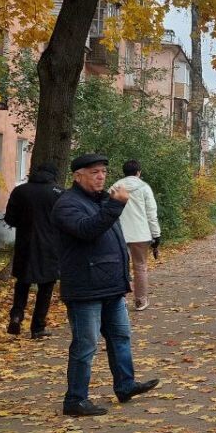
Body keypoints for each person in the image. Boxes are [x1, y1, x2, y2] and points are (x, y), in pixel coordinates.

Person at [52, 153, 159, 416]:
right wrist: (115, 205)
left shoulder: (101, 200)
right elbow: (87, 230)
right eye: (94, 172)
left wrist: (123, 279)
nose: (101, 176)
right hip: (85, 287)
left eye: (103, 172)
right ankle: (75, 400)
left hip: (110, 285)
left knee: (121, 337)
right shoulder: (67, 203)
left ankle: (125, 385)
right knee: (86, 344)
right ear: (78, 176)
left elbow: (114, 240)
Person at [3, 162, 62, 339]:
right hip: (50, 246)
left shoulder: (20, 191)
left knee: (22, 282)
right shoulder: (58, 193)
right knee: (46, 286)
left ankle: (16, 315)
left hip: (25, 244)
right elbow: (65, 219)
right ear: (53, 175)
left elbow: (10, 219)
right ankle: (38, 327)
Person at [109, 159, 161, 312]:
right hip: (140, 234)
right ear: (138, 172)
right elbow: (151, 213)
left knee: (120, 267)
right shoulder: (144, 188)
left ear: (124, 172)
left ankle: (121, 302)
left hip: (119, 233)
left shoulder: (114, 187)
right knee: (140, 267)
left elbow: (107, 210)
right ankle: (140, 301)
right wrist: (156, 234)